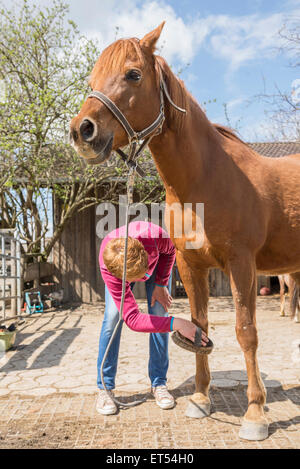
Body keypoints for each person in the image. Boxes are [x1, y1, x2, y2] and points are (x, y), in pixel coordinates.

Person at [96, 221, 209, 415]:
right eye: (132, 281)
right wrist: (177, 323)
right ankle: (104, 388)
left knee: (159, 313)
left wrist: (161, 283)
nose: (135, 285)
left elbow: (170, 252)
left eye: (139, 277)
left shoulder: (156, 236)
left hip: (155, 266)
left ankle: (159, 383)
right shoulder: (109, 267)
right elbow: (133, 319)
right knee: (112, 319)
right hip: (121, 269)